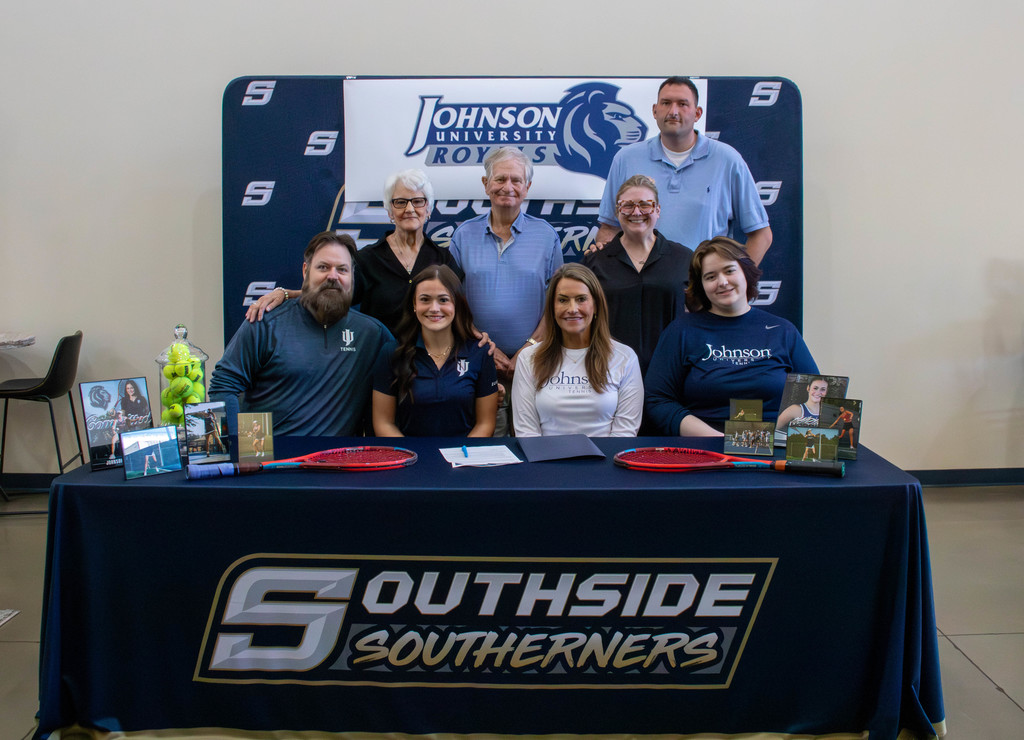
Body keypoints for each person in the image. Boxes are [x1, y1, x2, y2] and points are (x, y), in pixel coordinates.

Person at [209, 232, 393, 436]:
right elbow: (223, 385)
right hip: (272, 461)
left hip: (340, 461)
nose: (333, 276)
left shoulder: (372, 334)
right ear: (305, 271)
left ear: (352, 277)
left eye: (342, 269)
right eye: (323, 267)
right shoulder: (265, 322)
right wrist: (244, 450)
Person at [246, 169, 463, 334]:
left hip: (430, 366)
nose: (409, 209)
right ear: (389, 211)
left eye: (417, 201)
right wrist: (286, 293)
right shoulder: (367, 258)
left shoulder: (443, 260)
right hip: (380, 364)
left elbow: (459, 311)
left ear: (429, 209)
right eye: (400, 202)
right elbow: (333, 293)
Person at [644, 237, 818, 436]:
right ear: (701, 286)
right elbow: (658, 400)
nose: (722, 282)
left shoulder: (783, 330)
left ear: (745, 272)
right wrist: (719, 440)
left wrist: (775, 436)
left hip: (775, 451)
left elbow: (818, 396)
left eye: (729, 270)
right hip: (704, 451)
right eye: (710, 277)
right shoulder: (680, 331)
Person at [594, 77, 772, 264]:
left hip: (704, 286)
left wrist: (734, 281)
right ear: (655, 111)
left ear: (697, 113)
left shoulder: (727, 160)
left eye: (682, 104)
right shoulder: (626, 159)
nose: (673, 111)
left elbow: (762, 235)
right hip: (643, 286)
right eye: (666, 103)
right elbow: (609, 228)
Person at [450, 146, 563, 434]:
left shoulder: (546, 236)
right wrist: (490, 349)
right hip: (479, 362)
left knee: (533, 445)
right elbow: (452, 303)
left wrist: (528, 350)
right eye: (500, 179)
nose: (507, 187)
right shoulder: (464, 235)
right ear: (485, 184)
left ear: (527, 187)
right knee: (490, 445)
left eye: (516, 180)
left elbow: (558, 303)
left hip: (536, 363)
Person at [512, 264, 642, 437]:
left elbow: (625, 433)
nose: (572, 309)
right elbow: (526, 431)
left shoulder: (625, 358)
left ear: (595, 305)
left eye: (581, 299)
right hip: (546, 462)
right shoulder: (528, 358)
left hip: (606, 461)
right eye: (563, 300)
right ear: (552, 307)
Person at [582, 174, 693, 375]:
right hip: (610, 374)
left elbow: (700, 315)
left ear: (657, 210)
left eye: (645, 205)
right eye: (627, 205)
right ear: (617, 211)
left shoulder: (684, 258)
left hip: (672, 373)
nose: (636, 212)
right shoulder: (595, 261)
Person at [372, 266, 498, 437]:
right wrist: (411, 458)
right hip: (411, 459)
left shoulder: (480, 353)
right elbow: (383, 423)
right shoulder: (391, 353)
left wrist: (460, 458)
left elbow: (486, 423)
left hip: (464, 458)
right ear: (414, 305)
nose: (434, 308)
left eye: (443, 300)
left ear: (457, 304)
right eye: (425, 299)